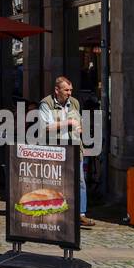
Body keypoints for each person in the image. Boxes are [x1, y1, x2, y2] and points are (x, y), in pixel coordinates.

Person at [38, 75, 94, 227]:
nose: (69, 93)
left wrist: (80, 127)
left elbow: (79, 122)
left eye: (71, 90)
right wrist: (68, 122)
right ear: (57, 90)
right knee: (55, 181)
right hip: (55, 148)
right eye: (66, 90)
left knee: (79, 181)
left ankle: (80, 214)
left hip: (74, 147)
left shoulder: (74, 103)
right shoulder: (46, 103)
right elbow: (45, 127)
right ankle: (54, 213)